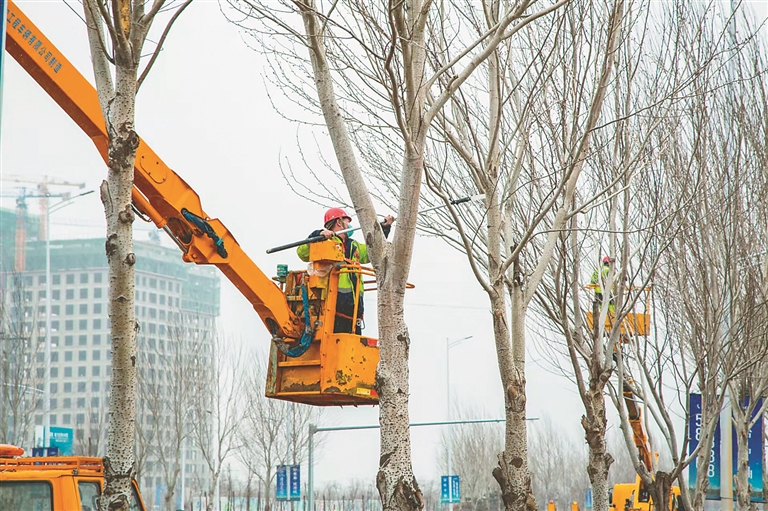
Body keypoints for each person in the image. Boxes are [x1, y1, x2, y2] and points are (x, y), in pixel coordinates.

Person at [297, 207, 395, 334]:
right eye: (347, 221)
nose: (349, 225)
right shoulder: (325, 242)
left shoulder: (354, 245)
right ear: (339, 222)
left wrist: (384, 229)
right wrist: (317, 235)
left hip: (354, 310)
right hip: (333, 306)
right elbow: (302, 253)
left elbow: (373, 252)